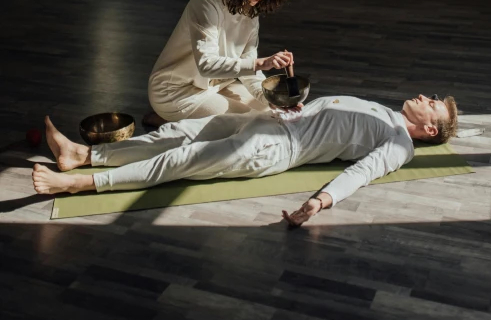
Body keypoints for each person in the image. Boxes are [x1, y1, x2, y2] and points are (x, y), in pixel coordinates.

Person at [33, 93, 458, 226]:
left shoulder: (399, 143)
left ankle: (82, 184)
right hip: (266, 120)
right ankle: (84, 153)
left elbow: (362, 172)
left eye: (432, 104)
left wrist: (320, 202)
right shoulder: (387, 111)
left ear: (430, 130)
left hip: (274, 149)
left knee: (183, 160)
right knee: (175, 132)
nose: (424, 97)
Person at [143, 0, 292, 127]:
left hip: (215, 87)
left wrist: (269, 99)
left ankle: (186, 121)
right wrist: (261, 63)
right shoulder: (205, 5)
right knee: (250, 123)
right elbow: (207, 65)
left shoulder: (251, 16)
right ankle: (170, 119)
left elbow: (250, 72)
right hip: (176, 92)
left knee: (269, 111)